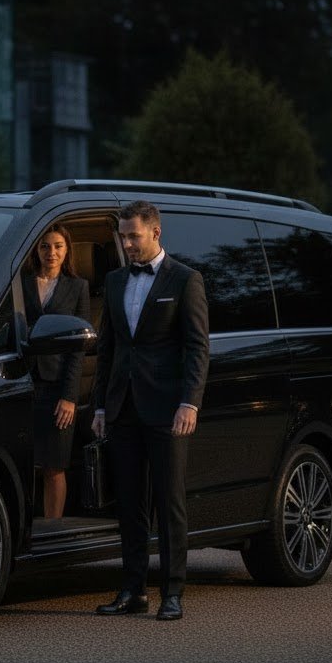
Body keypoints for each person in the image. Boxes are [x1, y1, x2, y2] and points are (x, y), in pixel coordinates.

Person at [91, 200, 209, 621]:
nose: (126, 244)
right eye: (123, 237)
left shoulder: (185, 279)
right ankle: (133, 590)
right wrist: (101, 405)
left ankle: (173, 592)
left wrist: (189, 402)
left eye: (133, 236)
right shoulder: (115, 280)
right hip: (122, 407)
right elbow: (108, 348)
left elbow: (197, 347)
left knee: (169, 500)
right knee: (130, 503)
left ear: (155, 233)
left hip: (167, 408)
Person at [22, 222, 90, 519]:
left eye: (58, 246)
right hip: (23, 381)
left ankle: (53, 529)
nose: (52, 252)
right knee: (24, 463)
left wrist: (70, 396)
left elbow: (77, 348)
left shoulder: (78, 287)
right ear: (36, 250)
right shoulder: (21, 283)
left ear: (67, 250)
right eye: (45, 246)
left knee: (54, 466)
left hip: (58, 387)